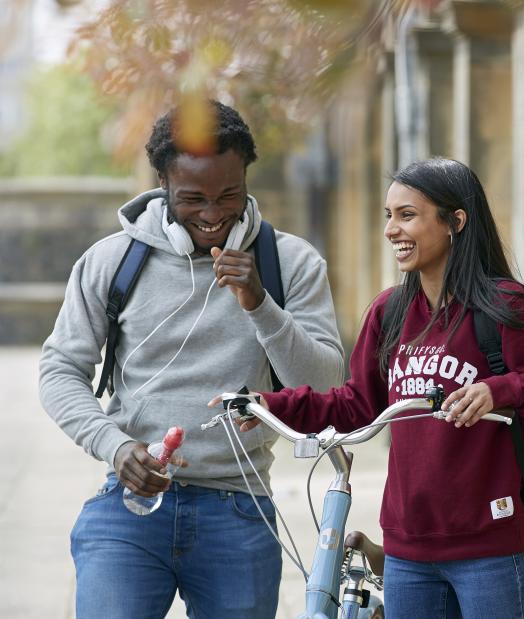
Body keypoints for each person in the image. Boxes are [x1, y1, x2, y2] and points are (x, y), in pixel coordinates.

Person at [236, 158, 524, 618]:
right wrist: (271, 403)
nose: (391, 230)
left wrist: (499, 389)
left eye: (407, 215)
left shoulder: (505, 306)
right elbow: (357, 404)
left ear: (455, 222)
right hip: (408, 554)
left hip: (490, 548)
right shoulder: (390, 312)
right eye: (389, 216)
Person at [38, 100, 345, 618]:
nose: (211, 214)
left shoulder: (290, 263)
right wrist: (115, 447)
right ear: (162, 184)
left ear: (247, 177)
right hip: (128, 509)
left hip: (240, 511)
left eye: (228, 195)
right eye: (192, 199)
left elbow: (325, 386)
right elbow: (59, 371)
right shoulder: (111, 262)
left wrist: (259, 305)